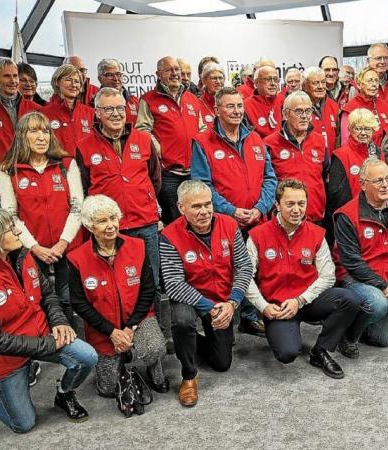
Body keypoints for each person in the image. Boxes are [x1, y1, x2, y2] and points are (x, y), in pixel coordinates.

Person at [0, 209, 97, 432]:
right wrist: (48, 344)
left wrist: (59, 321)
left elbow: (48, 294)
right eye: (10, 229)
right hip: (4, 357)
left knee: (87, 357)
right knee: (23, 424)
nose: (18, 231)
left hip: (41, 333)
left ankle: (64, 394)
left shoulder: (24, 256)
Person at [246, 179, 361, 378]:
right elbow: (245, 277)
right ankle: (287, 336)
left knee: (349, 299)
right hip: (278, 307)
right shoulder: (257, 235)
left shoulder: (316, 234)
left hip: (307, 300)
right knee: (287, 353)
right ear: (277, 205)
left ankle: (321, 351)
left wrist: (300, 300)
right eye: (290, 204)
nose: (297, 210)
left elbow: (328, 276)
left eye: (301, 203)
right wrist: (263, 306)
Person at [76, 87, 165, 341]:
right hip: (108, 227)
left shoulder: (144, 140)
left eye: (119, 108)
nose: (116, 114)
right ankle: (119, 336)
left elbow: (155, 179)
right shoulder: (84, 147)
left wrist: (141, 200)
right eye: (108, 109)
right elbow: (84, 188)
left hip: (144, 223)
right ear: (98, 113)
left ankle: (154, 334)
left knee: (152, 283)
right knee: (115, 286)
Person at [190, 86, 277, 336]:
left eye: (239, 106)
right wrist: (232, 211)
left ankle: (250, 315)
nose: (237, 111)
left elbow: (270, 178)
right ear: (217, 110)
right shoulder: (202, 142)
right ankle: (222, 320)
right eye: (230, 106)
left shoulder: (255, 139)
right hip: (223, 222)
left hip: (257, 220)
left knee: (255, 268)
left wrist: (260, 208)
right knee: (226, 270)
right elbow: (202, 186)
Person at [160, 180, 253, 407]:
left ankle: (187, 343)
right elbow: (173, 284)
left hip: (223, 299)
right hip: (190, 299)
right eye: (196, 207)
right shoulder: (170, 236)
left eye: (208, 204)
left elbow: (244, 266)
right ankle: (188, 375)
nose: (204, 212)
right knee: (182, 321)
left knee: (222, 363)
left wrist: (232, 303)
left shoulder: (230, 226)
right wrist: (209, 307)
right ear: (181, 208)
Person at [68, 195, 168, 397]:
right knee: (109, 390)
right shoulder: (76, 258)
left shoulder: (137, 247)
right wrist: (112, 332)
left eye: (113, 218)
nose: (111, 225)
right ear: (89, 226)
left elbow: (148, 290)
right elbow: (79, 303)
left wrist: (130, 327)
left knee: (154, 348)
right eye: (102, 221)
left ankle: (153, 368)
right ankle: (121, 356)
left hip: (138, 319)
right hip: (103, 328)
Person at [0, 111, 83, 327]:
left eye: (46, 131)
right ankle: (45, 343)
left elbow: (77, 207)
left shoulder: (65, 163)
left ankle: (71, 341)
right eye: (33, 131)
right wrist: (35, 247)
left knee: (67, 298)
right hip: (31, 249)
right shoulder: (9, 169)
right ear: (21, 136)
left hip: (67, 246)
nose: (41, 137)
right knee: (37, 298)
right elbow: (10, 214)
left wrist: (63, 242)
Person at [334, 158, 388, 356]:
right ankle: (346, 336)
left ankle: (357, 318)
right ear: (363, 184)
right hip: (354, 278)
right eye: (378, 180)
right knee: (377, 303)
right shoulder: (346, 214)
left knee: (381, 340)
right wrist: (384, 287)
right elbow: (352, 262)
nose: (385, 184)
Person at [137, 56, 203, 225]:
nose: (175, 73)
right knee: (175, 222)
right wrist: (157, 146)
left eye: (177, 69)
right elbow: (142, 129)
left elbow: (202, 128)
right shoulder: (148, 100)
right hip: (168, 174)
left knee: (196, 219)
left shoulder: (193, 99)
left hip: (194, 172)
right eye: (169, 70)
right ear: (158, 74)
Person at [0, 57, 41, 199]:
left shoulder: (36, 109)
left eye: (15, 76)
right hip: (2, 184)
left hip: (34, 179)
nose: (13, 81)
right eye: (7, 76)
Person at [264, 91, 328, 224]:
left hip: (315, 216)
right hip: (284, 219)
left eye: (308, 111)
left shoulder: (320, 141)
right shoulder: (270, 143)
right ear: (286, 114)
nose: (305, 116)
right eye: (299, 111)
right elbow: (266, 182)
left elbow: (325, 172)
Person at [328, 108, 383, 214]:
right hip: (351, 214)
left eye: (367, 129)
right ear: (350, 129)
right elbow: (336, 194)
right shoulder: (341, 155)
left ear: (373, 130)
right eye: (358, 129)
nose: (363, 133)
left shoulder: (378, 153)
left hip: (376, 211)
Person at [40, 64, 95, 154]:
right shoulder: (43, 114)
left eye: (77, 81)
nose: (73, 85)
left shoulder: (91, 113)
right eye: (68, 80)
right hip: (57, 166)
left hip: (86, 167)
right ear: (57, 82)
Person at [340, 66, 388, 144]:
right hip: (360, 154)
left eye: (376, 81)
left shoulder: (384, 106)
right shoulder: (350, 109)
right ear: (359, 85)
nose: (374, 85)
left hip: (384, 153)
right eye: (370, 81)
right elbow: (346, 142)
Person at [302, 66, 339, 153]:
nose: (321, 86)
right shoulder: (298, 106)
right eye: (315, 83)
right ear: (305, 86)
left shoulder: (334, 105)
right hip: (310, 161)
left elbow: (338, 136)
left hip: (331, 161)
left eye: (323, 82)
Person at [96, 58, 139, 124]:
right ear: (100, 79)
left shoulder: (135, 101)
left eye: (118, 74)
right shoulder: (92, 103)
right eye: (110, 75)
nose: (116, 79)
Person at [244, 65, 281, 139]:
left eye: (276, 79)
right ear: (256, 83)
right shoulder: (245, 106)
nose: (273, 83)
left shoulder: (284, 101)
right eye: (268, 79)